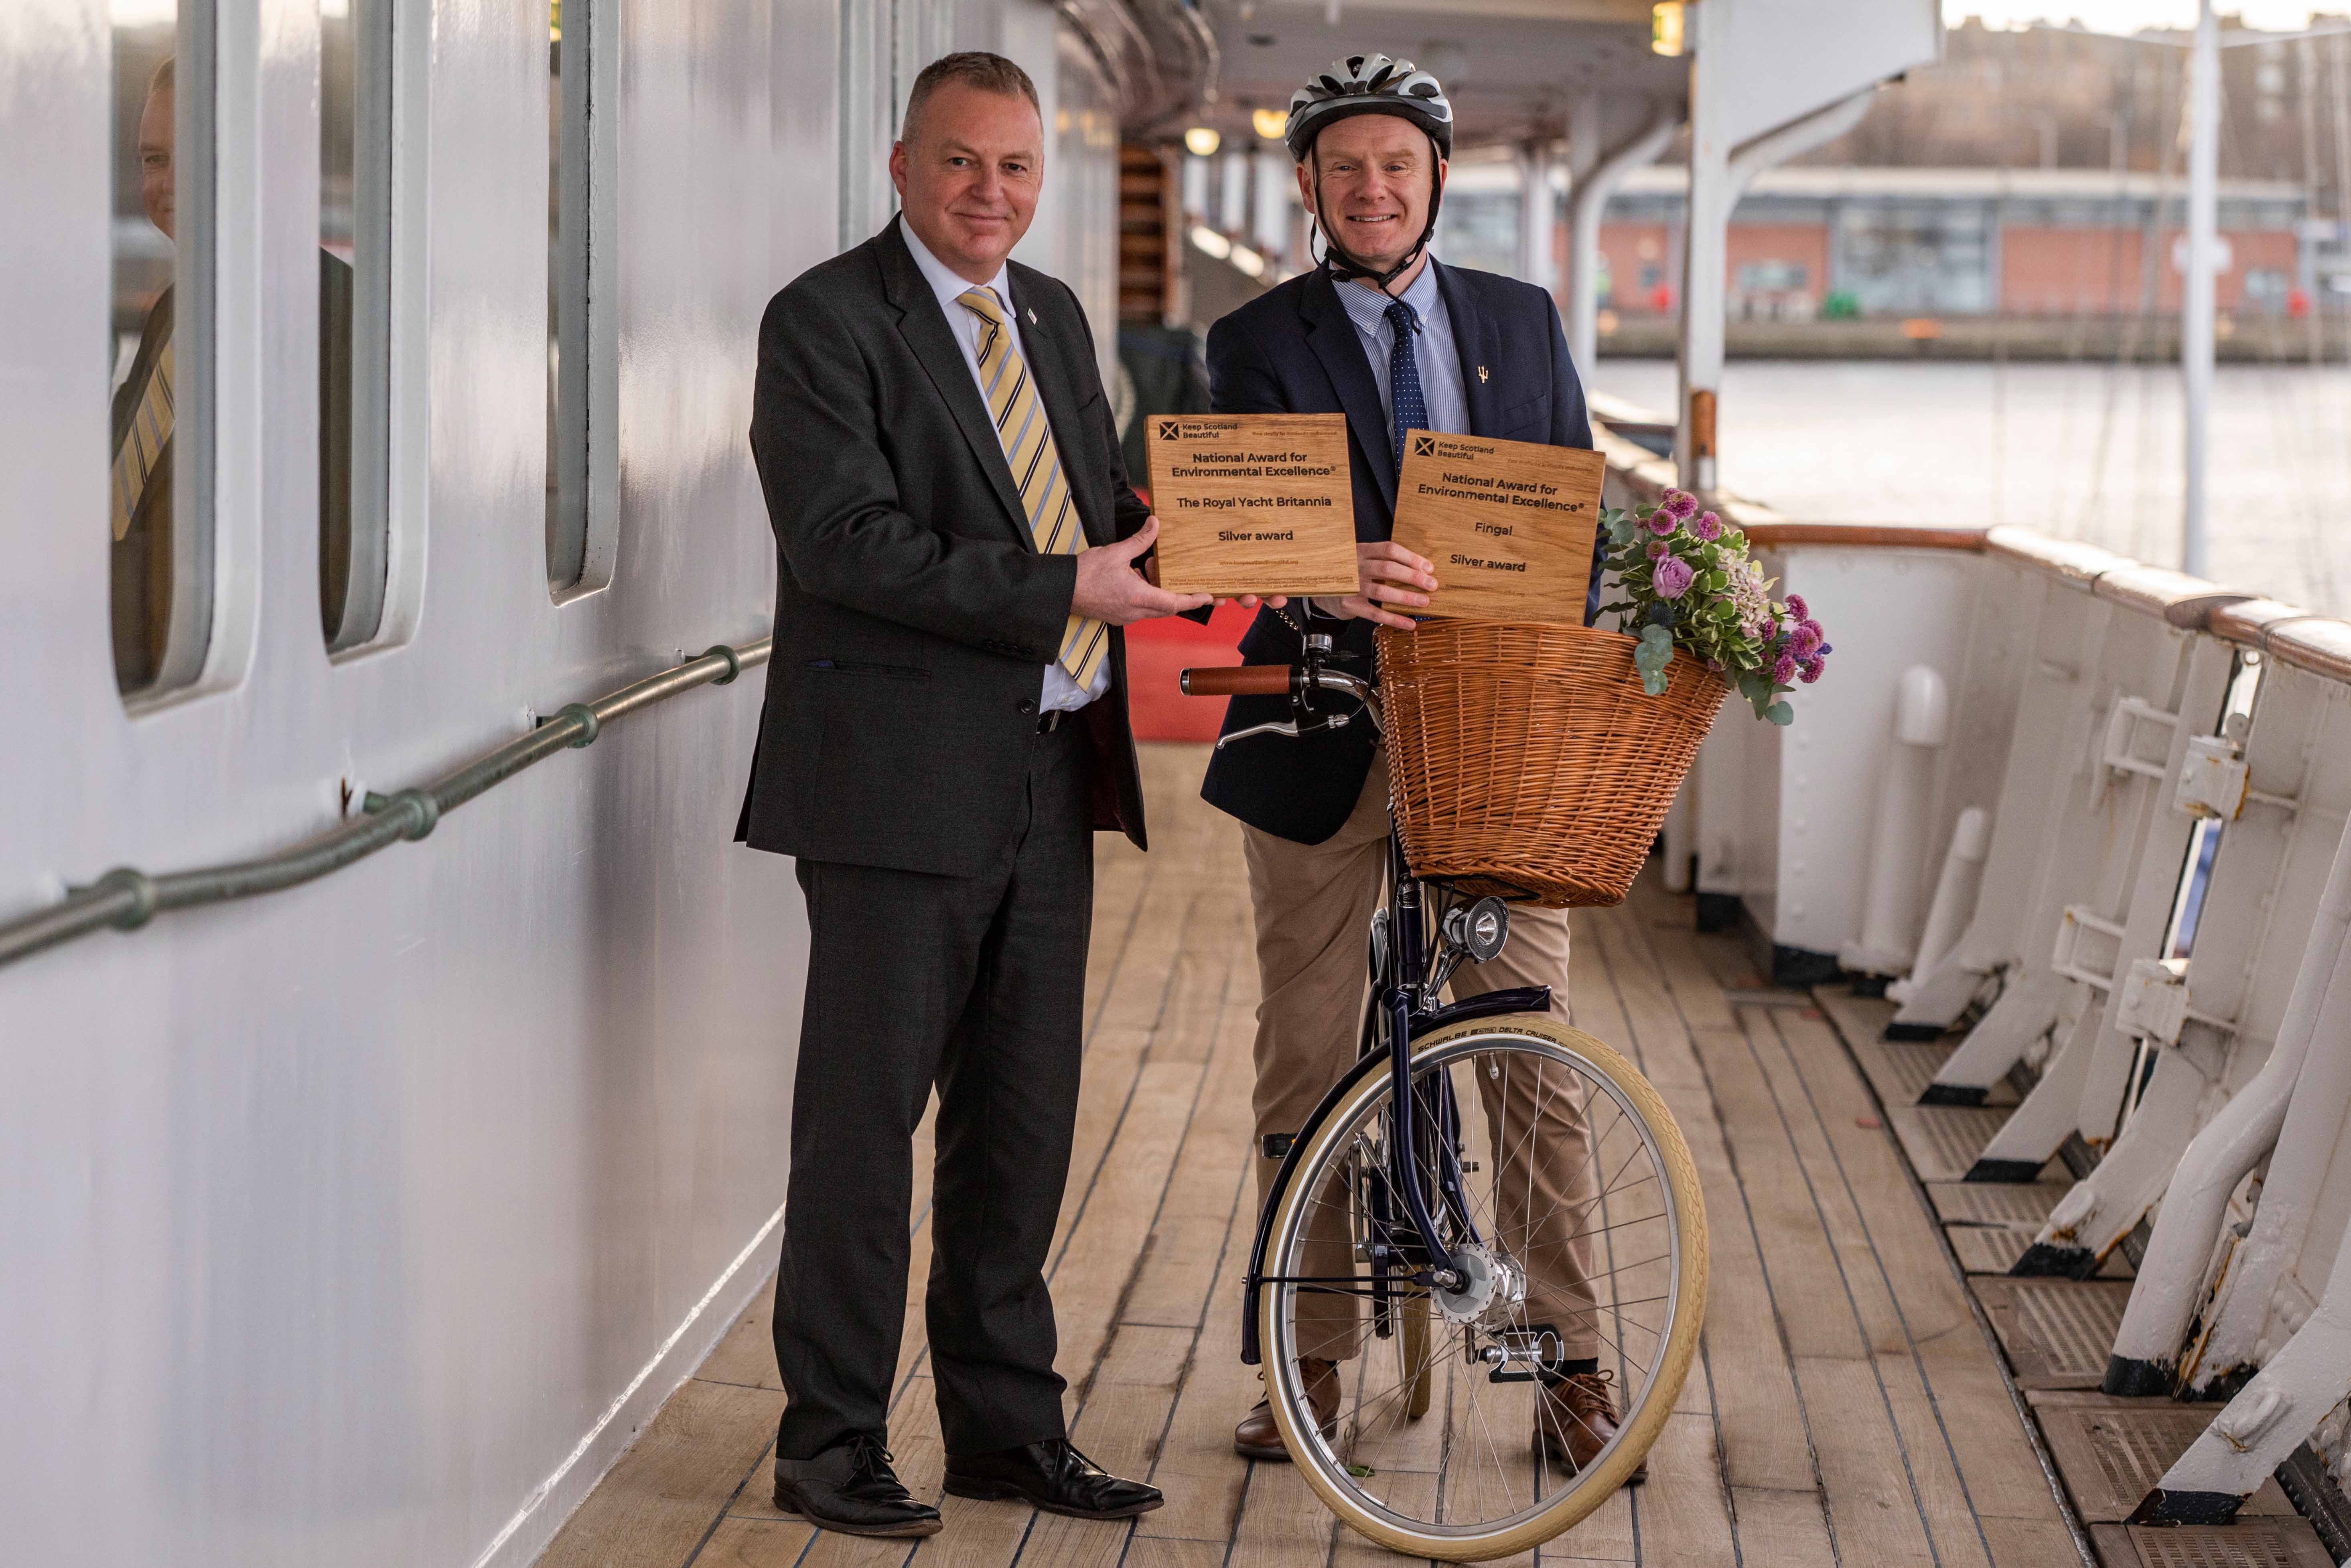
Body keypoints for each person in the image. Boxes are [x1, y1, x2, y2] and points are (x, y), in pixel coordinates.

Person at [735, 51, 1209, 1540]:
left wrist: (1194, 524)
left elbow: (1088, 506)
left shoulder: (1055, 316)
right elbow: (845, 545)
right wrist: (1071, 581)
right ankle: (827, 1443)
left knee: (1021, 1130)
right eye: (959, 163)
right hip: (889, 791)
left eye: (1013, 168)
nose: (988, 194)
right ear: (899, 164)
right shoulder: (823, 321)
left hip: (1046, 773)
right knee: (864, 1131)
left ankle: (1005, 1429)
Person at [1199, 55, 1641, 1481]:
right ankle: (1309, 1364)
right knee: (1309, 1050)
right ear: (1311, 190)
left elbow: (1571, 517)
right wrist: (1333, 574)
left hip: (1494, 740)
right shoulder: (1255, 338)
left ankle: (1570, 1362)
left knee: (1524, 1039)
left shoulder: (1522, 320)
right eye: (1345, 170)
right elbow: (1241, 534)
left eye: (1397, 165)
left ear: (1436, 180)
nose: (1372, 189)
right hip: (1320, 729)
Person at [110, 56, 353, 692]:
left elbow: (321, 552)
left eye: (185, 154)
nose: (163, 184)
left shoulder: (332, 314)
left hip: (222, 684)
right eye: (152, 160)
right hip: (134, 669)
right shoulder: (173, 311)